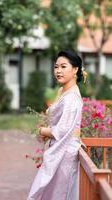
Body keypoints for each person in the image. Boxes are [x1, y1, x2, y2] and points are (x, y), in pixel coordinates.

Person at [27, 50, 86, 200]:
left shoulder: (72, 98)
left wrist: (41, 130)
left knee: (59, 192)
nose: (58, 71)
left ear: (75, 70)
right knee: (50, 190)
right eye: (56, 67)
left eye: (63, 66)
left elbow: (62, 130)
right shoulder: (63, 90)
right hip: (60, 147)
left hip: (65, 151)